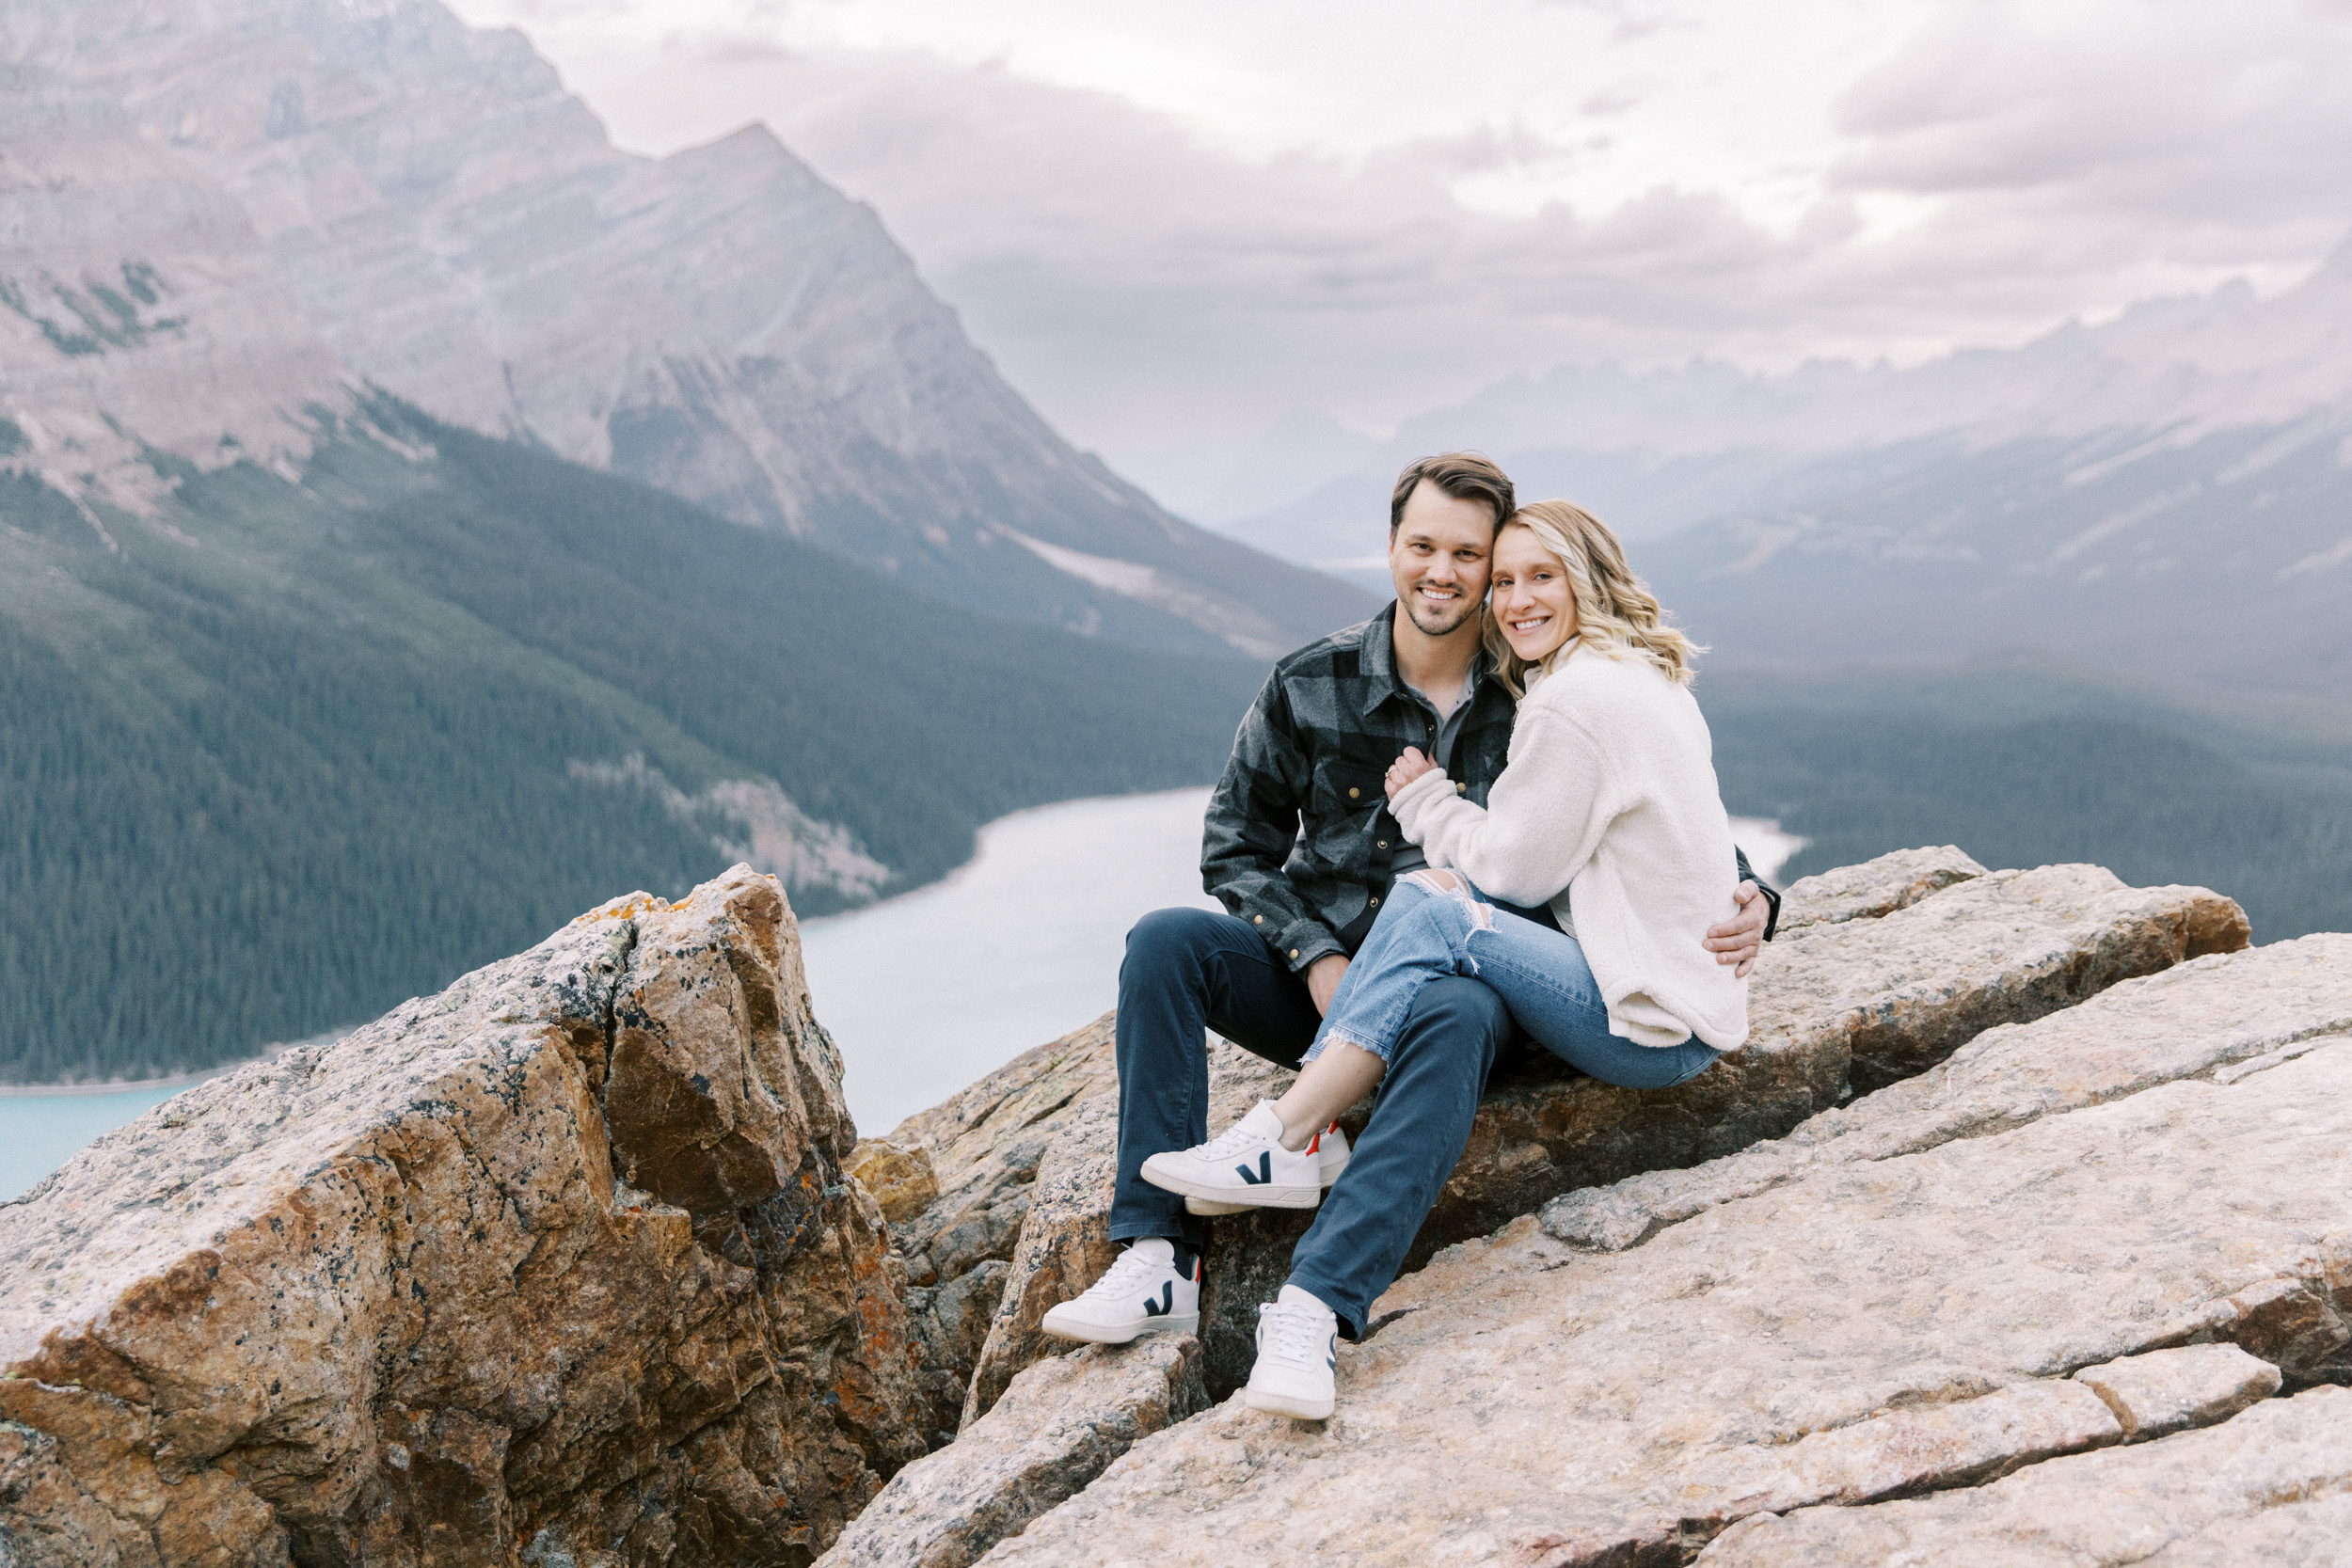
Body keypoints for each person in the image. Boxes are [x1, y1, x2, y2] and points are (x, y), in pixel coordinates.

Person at [1037, 453, 1779, 1419]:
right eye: (1422, 545)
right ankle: (1153, 1259)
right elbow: (1234, 845)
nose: (1446, 572)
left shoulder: (1536, 689)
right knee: (1165, 944)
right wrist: (1314, 958)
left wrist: (1754, 890)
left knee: (1459, 1006)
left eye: (1472, 555)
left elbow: (1665, 813)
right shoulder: (1312, 681)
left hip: (1463, 989)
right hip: (1325, 986)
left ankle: (1313, 1308)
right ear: (1390, 548)